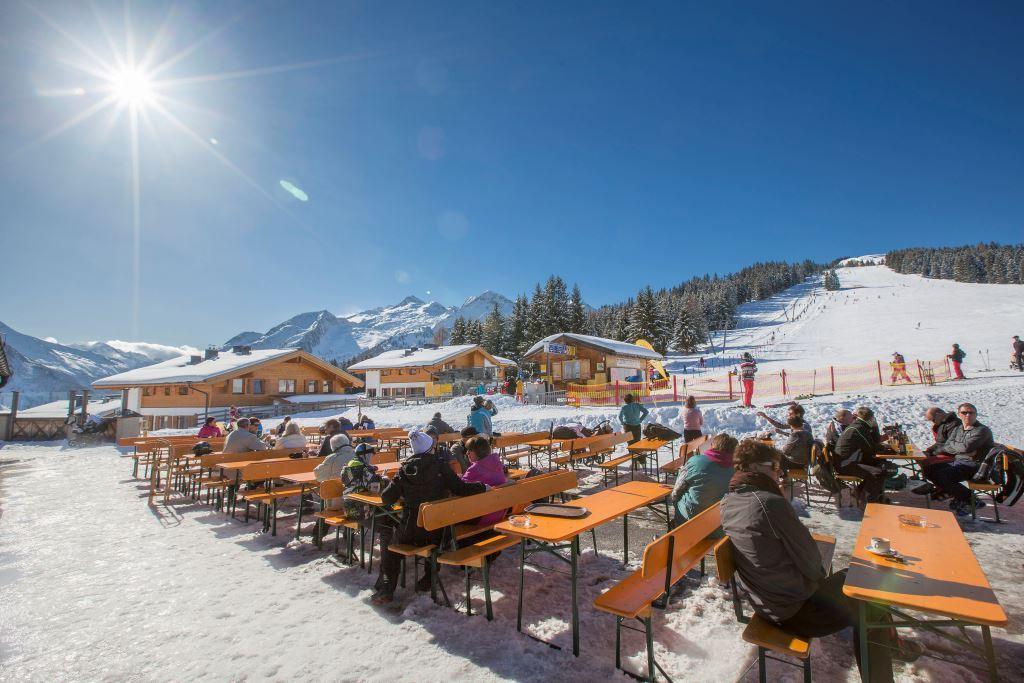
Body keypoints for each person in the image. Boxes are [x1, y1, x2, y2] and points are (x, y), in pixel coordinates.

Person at [720, 439, 893, 682]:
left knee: (859, 579)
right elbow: (812, 563)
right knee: (871, 596)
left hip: (770, 602)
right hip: (797, 611)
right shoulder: (769, 503)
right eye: (774, 466)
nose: (779, 473)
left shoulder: (730, 500)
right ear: (754, 467)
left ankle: (892, 644)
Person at [373, 430, 487, 603]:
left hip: (410, 531)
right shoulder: (440, 466)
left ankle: (387, 588)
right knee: (433, 540)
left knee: (392, 548)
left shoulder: (404, 469)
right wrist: (482, 487)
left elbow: (387, 498)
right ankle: (428, 578)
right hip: (438, 530)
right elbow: (461, 488)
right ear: (429, 448)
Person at [922, 403, 995, 516]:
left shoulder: (982, 430)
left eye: (971, 413)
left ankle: (971, 500)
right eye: (964, 413)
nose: (968, 415)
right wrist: (960, 448)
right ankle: (955, 494)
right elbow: (948, 445)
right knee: (928, 469)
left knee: (942, 475)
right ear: (959, 414)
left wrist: (958, 447)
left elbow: (966, 447)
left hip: (976, 466)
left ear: (976, 414)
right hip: (959, 461)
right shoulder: (959, 429)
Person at [670, 433, 736, 525]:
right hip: (720, 521)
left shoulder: (696, 461)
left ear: (713, 446)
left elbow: (677, 489)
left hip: (691, 519)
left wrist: (675, 503)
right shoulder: (737, 469)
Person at [833, 407, 886, 504]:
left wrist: (874, 427)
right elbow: (872, 448)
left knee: (880, 464)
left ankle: (859, 492)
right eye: (873, 419)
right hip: (845, 465)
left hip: (846, 461)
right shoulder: (858, 429)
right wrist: (886, 448)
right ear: (870, 419)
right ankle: (870, 501)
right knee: (878, 472)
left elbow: (874, 442)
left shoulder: (858, 426)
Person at [461, 435, 508, 526]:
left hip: (483, 516)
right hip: (499, 513)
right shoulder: (497, 463)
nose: (467, 453)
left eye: (469, 450)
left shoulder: (474, 469)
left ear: (477, 452)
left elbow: (460, 487)